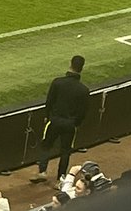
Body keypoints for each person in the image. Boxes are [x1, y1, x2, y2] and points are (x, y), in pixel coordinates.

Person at [31, 55, 90, 185]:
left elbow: (49, 102)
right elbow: (83, 112)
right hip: (70, 124)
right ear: (82, 68)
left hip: (55, 120)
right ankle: (60, 180)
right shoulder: (83, 90)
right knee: (65, 151)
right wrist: (76, 123)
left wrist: (48, 116)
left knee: (46, 145)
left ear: (70, 65)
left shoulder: (58, 82)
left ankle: (42, 171)